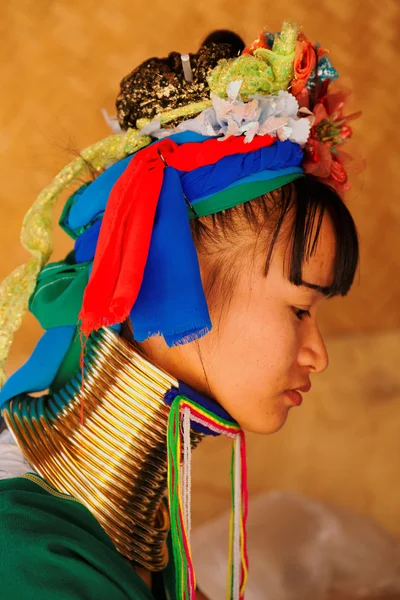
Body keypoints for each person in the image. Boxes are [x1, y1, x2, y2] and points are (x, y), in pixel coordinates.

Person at [0, 20, 360, 600]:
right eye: (299, 309)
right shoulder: (24, 558)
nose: (317, 354)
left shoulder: (136, 545)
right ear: (172, 274)